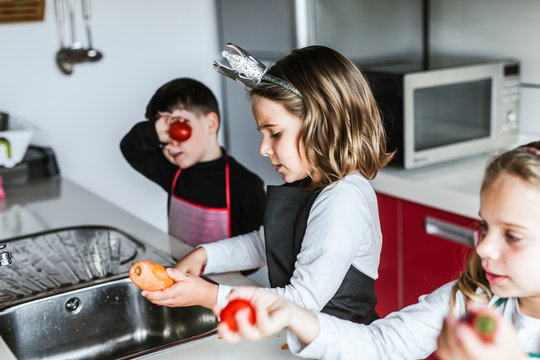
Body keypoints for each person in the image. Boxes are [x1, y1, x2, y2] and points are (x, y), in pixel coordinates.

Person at [215, 141, 540, 360]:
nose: (483, 247)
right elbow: (381, 345)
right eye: (484, 227)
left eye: (512, 235)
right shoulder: (474, 296)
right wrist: (291, 314)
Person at [141, 43, 393, 322]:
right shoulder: (309, 185)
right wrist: (204, 256)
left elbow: (302, 301)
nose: (264, 148)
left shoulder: (344, 199)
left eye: (275, 133)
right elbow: (263, 245)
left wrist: (208, 295)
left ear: (322, 124)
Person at [120, 78, 266, 248]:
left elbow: (258, 247)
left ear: (210, 124)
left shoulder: (247, 185)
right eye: (164, 137)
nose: (170, 144)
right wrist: (156, 130)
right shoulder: (172, 172)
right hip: (178, 269)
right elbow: (130, 147)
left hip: (224, 274)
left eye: (177, 126)